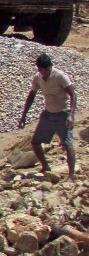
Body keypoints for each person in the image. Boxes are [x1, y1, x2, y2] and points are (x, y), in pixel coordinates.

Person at [18, 53, 77, 181]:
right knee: (35, 142)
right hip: (48, 114)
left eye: (46, 69)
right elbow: (31, 95)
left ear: (50, 67)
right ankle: (45, 166)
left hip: (63, 113)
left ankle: (71, 175)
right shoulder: (37, 78)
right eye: (41, 70)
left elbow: (73, 94)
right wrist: (23, 116)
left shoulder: (60, 76)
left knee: (67, 144)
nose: (44, 72)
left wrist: (71, 115)